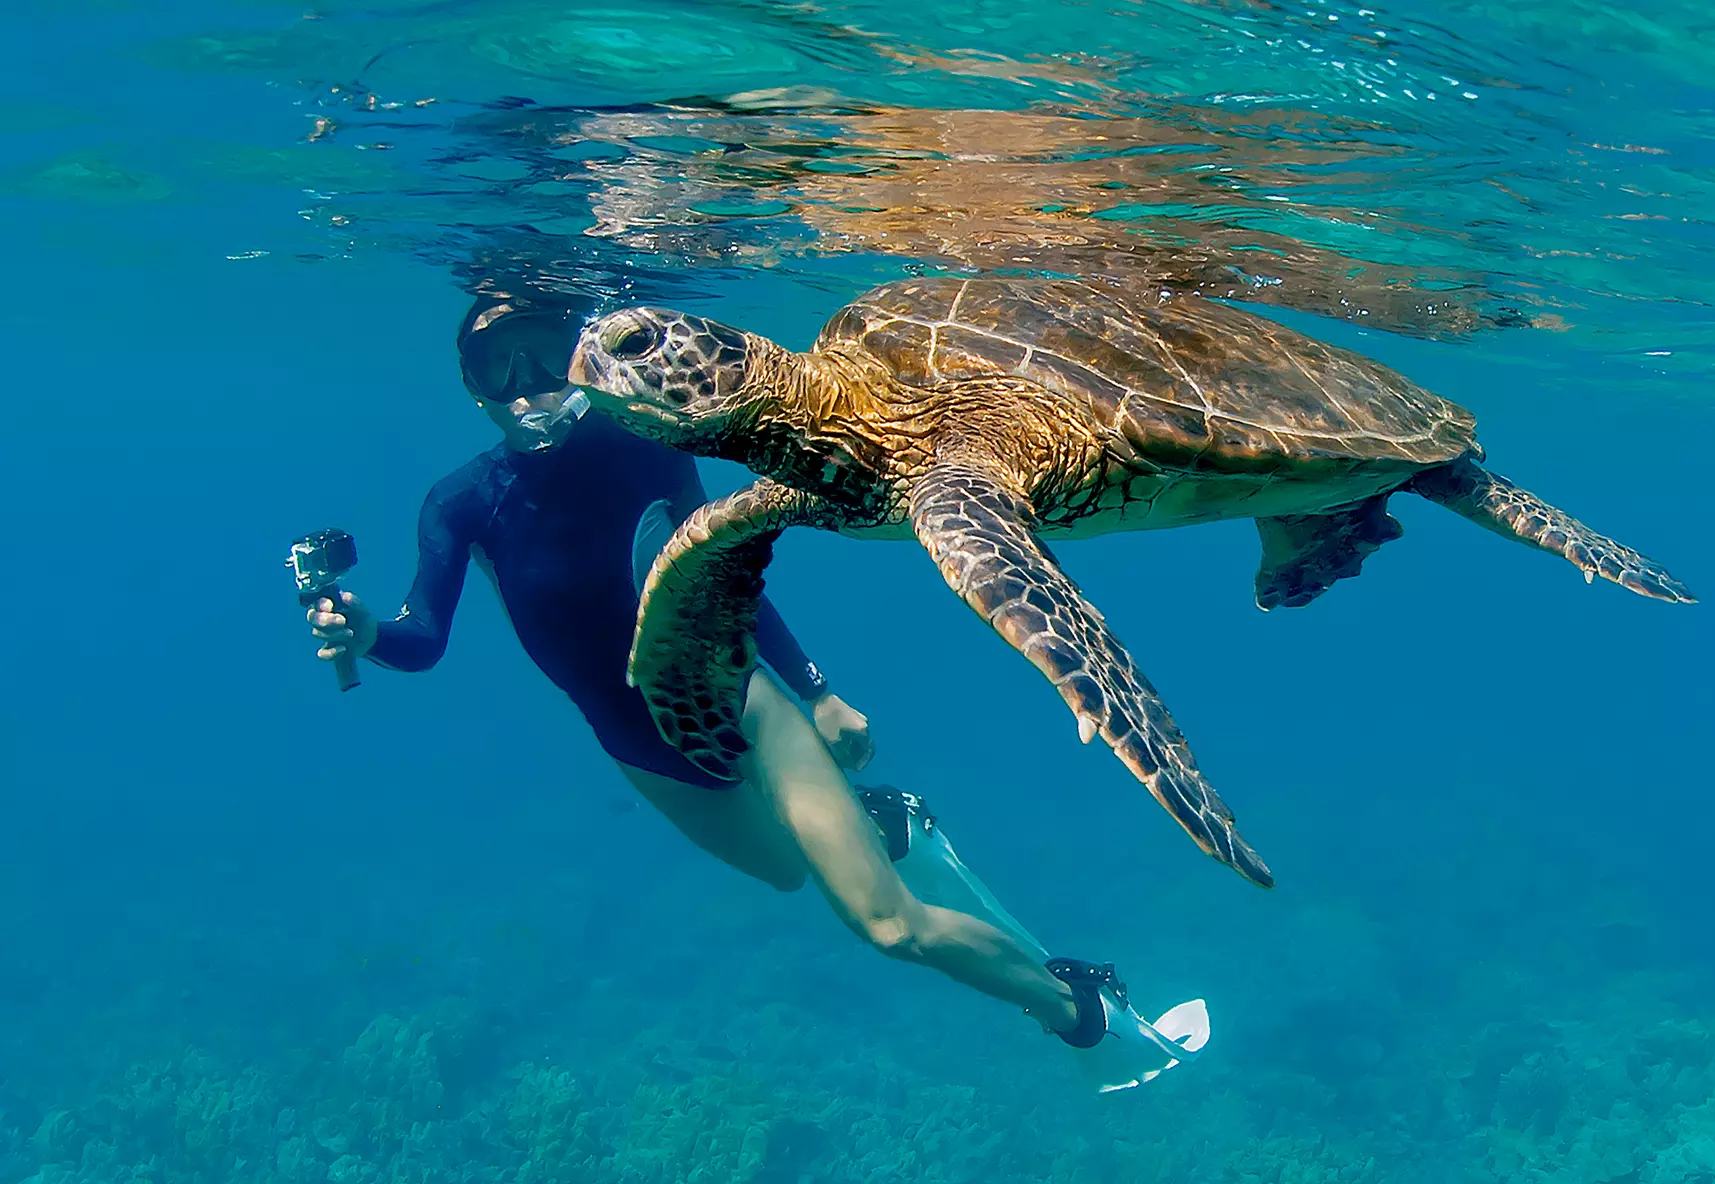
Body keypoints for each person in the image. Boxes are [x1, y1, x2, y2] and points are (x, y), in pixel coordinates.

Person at [304, 288, 1209, 1089]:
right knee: (784, 874)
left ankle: (1078, 1010)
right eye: (492, 366)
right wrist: (363, 631)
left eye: (539, 349)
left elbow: (721, 566)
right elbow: (421, 642)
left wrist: (816, 693)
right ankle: (886, 823)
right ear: (469, 386)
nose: (523, 381)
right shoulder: (461, 504)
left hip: (737, 694)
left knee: (887, 927)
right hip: (640, 747)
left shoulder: (640, 442)